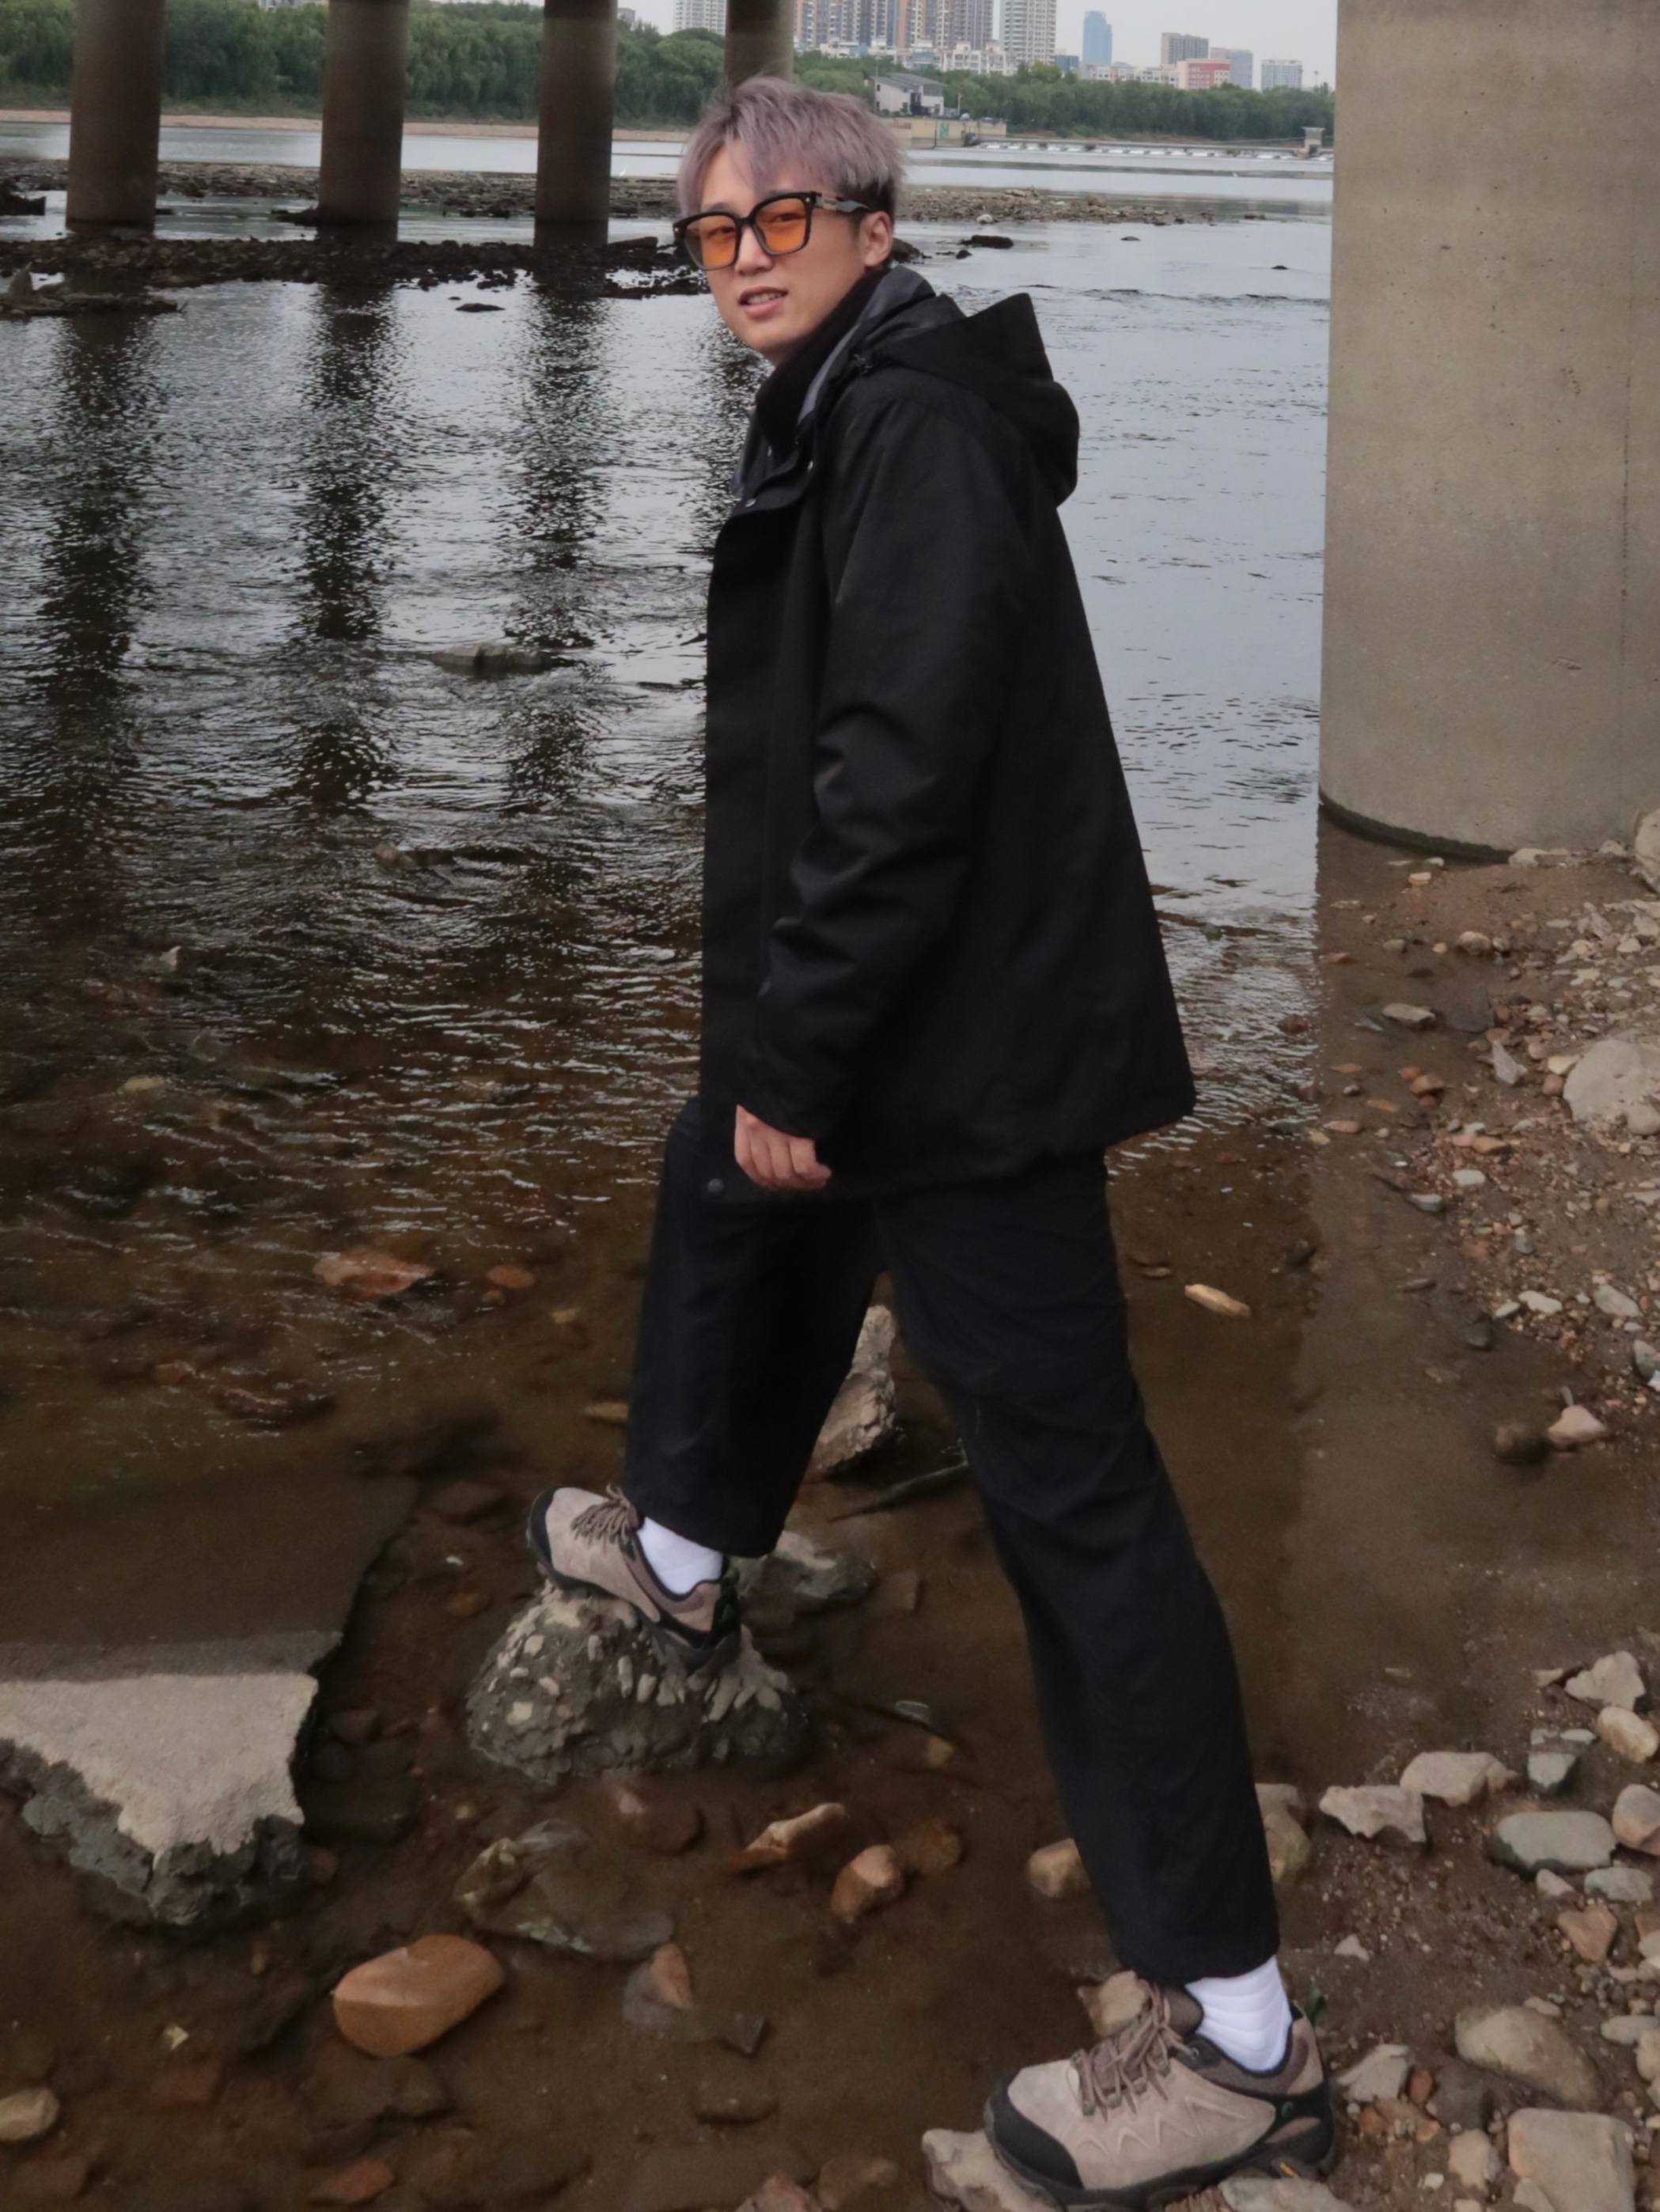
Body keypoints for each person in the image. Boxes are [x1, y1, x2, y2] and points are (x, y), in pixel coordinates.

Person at [527, 77, 1333, 2208]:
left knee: (1075, 1498)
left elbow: (900, 770)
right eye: (715, 231)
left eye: (784, 218)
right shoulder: (847, 400)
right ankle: (682, 1553)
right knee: (732, 1187)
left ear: (874, 227)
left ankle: (1238, 2033)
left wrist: (805, 1052)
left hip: (972, 1064)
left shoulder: (912, 427)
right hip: (916, 1021)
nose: (746, 256)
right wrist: (778, 1058)